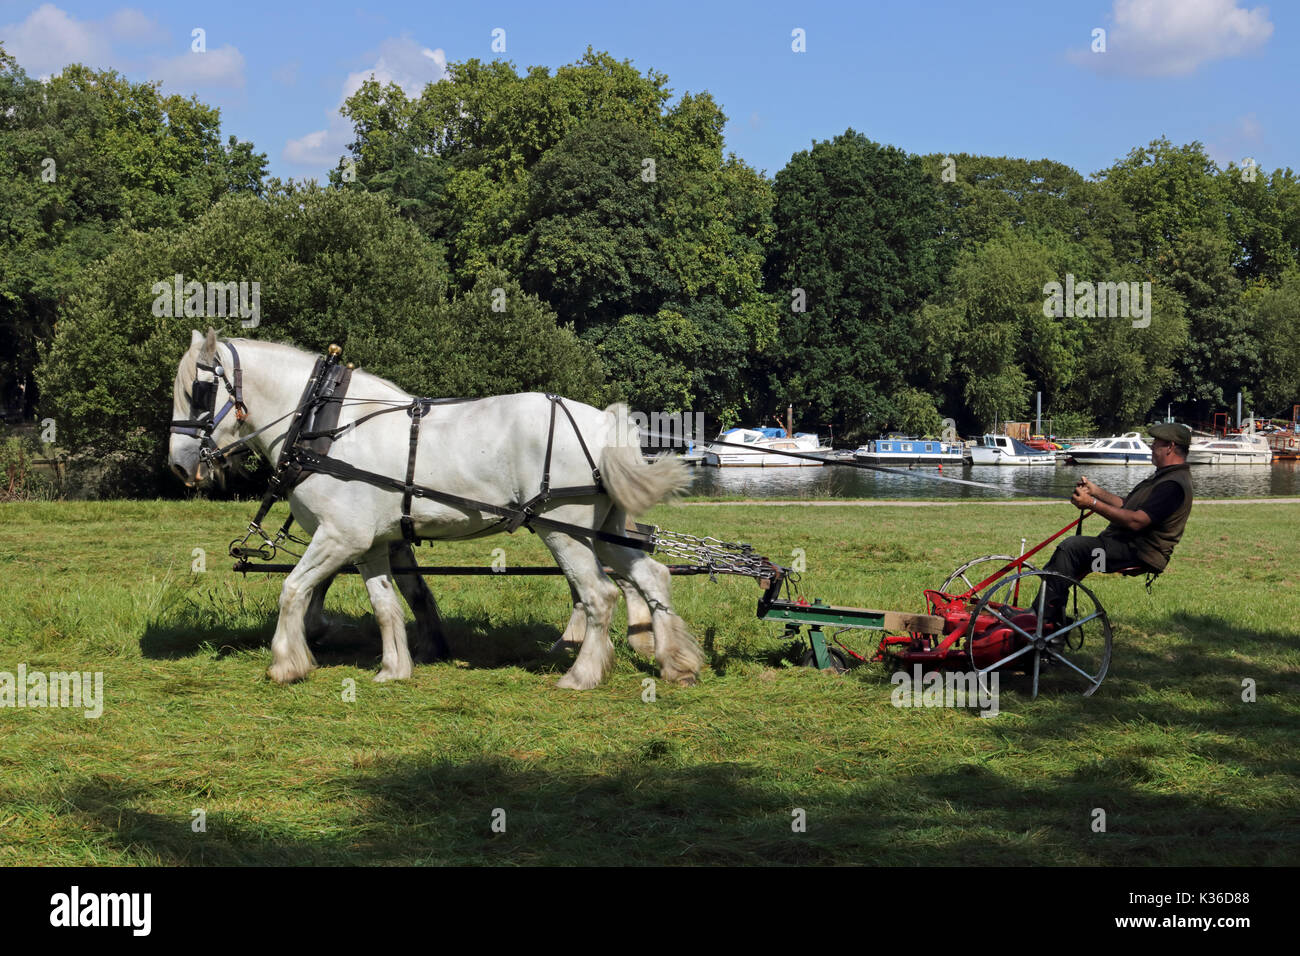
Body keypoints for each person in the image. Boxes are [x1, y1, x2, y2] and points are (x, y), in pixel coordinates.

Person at [1040, 423, 1194, 627]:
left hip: (1135, 554)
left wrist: (1092, 504)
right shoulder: (1165, 477)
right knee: (1069, 560)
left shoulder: (1172, 485)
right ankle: (1046, 617)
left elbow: (1136, 521)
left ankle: (1044, 622)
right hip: (1123, 548)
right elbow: (1127, 506)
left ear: (1170, 447)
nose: (1152, 447)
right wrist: (1095, 491)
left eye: (1156, 443)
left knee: (1071, 550)